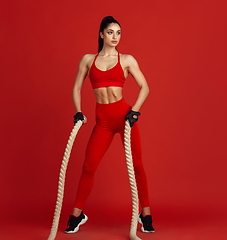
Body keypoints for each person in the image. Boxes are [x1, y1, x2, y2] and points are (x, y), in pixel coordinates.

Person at [65, 16, 154, 234]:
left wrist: (135, 111)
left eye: (119, 32)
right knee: (88, 166)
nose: (115, 37)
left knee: (138, 166)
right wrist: (78, 111)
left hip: (124, 118)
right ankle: (77, 215)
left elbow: (145, 87)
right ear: (102, 34)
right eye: (111, 32)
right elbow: (77, 88)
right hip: (103, 121)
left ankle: (146, 214)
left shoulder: (127, 60)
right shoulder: (88, 60)